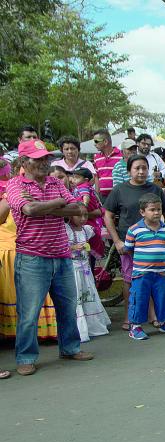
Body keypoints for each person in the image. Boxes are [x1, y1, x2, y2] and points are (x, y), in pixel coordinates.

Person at [5, 139, 93, 375]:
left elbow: (78, 209)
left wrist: (45, 205)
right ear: (24, 161)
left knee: (67, 307)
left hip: (62, 254)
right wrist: (58, 202)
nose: (44, 162)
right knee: (29, 312)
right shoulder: (14, 184)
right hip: (32, 257)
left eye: (45, 158)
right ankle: (25, 358)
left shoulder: (55, 181)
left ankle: (70, 348)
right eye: (38, 158)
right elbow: (29, 210)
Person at [104, 154, 165, 331]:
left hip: (153, 243)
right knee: (131, 280)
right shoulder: (119, 190)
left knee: (154, 279)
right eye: (137, 168)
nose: (141, 171)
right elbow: (108, 216)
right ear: (129, 171)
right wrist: (117, 241)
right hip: (129, 244)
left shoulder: (155, 189)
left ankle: (153, 316)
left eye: (144, 167)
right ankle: (130, 316)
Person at [0, 180, 58, 348]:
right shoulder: (9, 198)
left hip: (44, 249)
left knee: (36, 300)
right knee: (27, 304)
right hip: (14, 251)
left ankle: (46, 336)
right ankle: (25, 352)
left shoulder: (50, 192)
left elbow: (76, 210)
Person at [123, 194, 165, 340]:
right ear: (142, 212)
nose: (156, 213)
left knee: (163, 298)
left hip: (162, 273)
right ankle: (135, 327)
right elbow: (128, 249)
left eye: (159, 209)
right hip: (141, 273)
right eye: (152, 210)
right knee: (139, 299)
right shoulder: (134, 230)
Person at [66, 211, 111, 341]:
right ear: (70, 215)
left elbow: (96, 240)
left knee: (88, 296)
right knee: (77, 297)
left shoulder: (87, 230)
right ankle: (79, 329)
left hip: (85, 270)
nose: (83, 218)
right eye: (79, 215)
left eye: (85, 215)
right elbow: (61, 247)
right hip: (74, 271)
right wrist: (73, 247)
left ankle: (92, 325)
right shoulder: (66, 230)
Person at [68, 167, 105, 261]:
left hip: (87, 212)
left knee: (91, 233)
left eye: (76, 177)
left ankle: (96, 252)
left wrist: (83, 207)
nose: (73, 179)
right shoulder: (82, 186)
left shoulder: (83, 186)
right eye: (73, 177)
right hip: (88, 215)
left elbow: (86, 197)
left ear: (85, 180)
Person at [92, 129, 122, 199]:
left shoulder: (121, 155)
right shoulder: (96, 157)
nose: (94, 144)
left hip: (119, 196)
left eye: (96, 141)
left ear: (105, 141)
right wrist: (97, 195)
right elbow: (97, 177)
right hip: (103, 198)